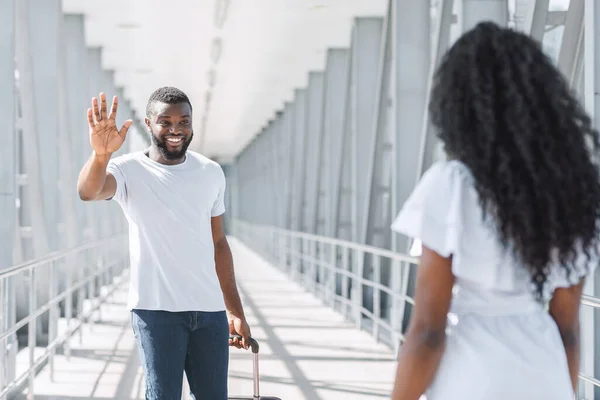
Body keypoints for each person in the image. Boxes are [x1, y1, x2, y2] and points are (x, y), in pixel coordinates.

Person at [390, 22, 600, 400]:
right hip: (545, 375)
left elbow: (428, 330)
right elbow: (567, 328)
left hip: (471, 378)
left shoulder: (452, 186)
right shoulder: (570, 195)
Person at [77, 86, 251, 399]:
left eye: (183, 122)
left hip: (209, 313)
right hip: (156, 312)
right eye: (165, 122)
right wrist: (101, 155)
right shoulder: (128, 170)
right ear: (148, 124)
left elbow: (219, 243)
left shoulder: (210, 172)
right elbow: (89, 191)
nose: (175, 130)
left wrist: (234, 311)